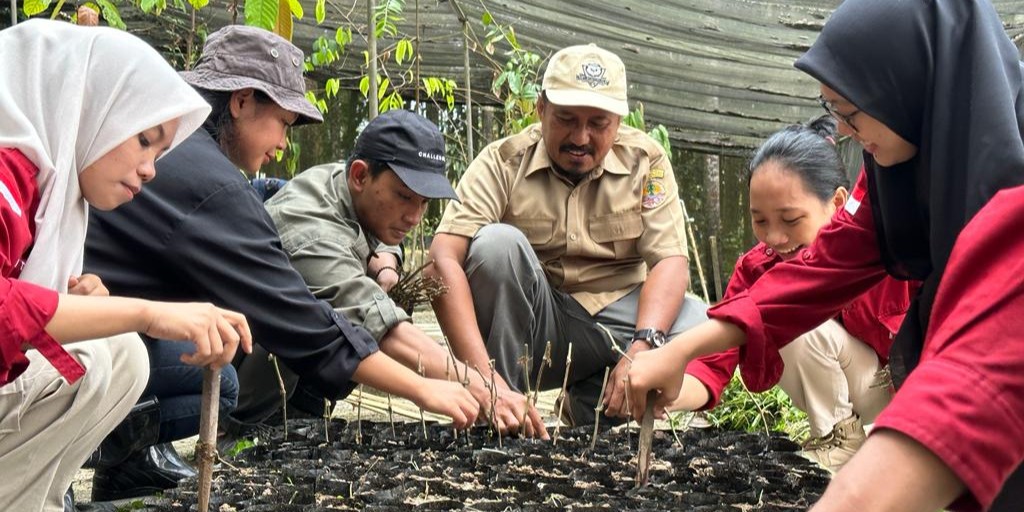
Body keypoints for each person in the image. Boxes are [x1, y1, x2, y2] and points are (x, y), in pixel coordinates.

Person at [626, 1, 1024, 510]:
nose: (841, 130)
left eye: (849, 112)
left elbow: (972, 385)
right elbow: (812, 276)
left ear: (906, 85)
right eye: (832, 110)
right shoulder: (896, 178)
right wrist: (678, 351)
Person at [84, 25, 477, 500]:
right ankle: (74, 454)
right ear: (243, 101)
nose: (284, 146)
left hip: (85, 319)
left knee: (217, 368)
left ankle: (126, 464)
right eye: (285, 123)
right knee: (222, 376)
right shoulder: (212, 185)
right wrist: (424, 390)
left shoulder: (185, 158)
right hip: (70, 345)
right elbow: (306, 324)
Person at [0, 20, 251, 511]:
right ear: (85, 104)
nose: (151, 168)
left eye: (160, 151)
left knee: (113, 351)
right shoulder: (8, 172)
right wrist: (146, 313)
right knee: (100, 354)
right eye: (144, 139)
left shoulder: (47, 189)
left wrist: (68, 305)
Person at [427, 43, 708, 437]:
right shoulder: (503, 162)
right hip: (539, 328)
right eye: (566, 119)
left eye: (598, 123)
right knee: (495, 246)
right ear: (541, 109)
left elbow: (669, 262)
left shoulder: (646, 161)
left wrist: (643, 347)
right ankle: (501, 411)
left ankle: (596, 403)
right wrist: (480, 379)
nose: (581, 136)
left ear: (619, 120)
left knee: (697, 322)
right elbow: (442, 258)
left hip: (617, 324)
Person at [669, 117, 914, 472]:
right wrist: (670, 390)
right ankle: (836, 440)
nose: (775, 238)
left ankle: (867, 448)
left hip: (900, 393)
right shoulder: (756, 270)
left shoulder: (886, 247)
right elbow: (715, 359)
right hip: (848, 403)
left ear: (838, 203)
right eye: (760, 220)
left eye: (790, 219)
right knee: (764, 315)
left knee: (791, 316)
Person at [262, 109, 495, 424]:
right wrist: (468, 383)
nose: (414, 218)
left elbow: (376, 226)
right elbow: (379, 325)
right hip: (244, 381)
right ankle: (266, 419)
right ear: (360, 175)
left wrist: (386, 261)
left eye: (424, 202)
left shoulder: (343, 183)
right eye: (404, 197)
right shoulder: (310, 231)